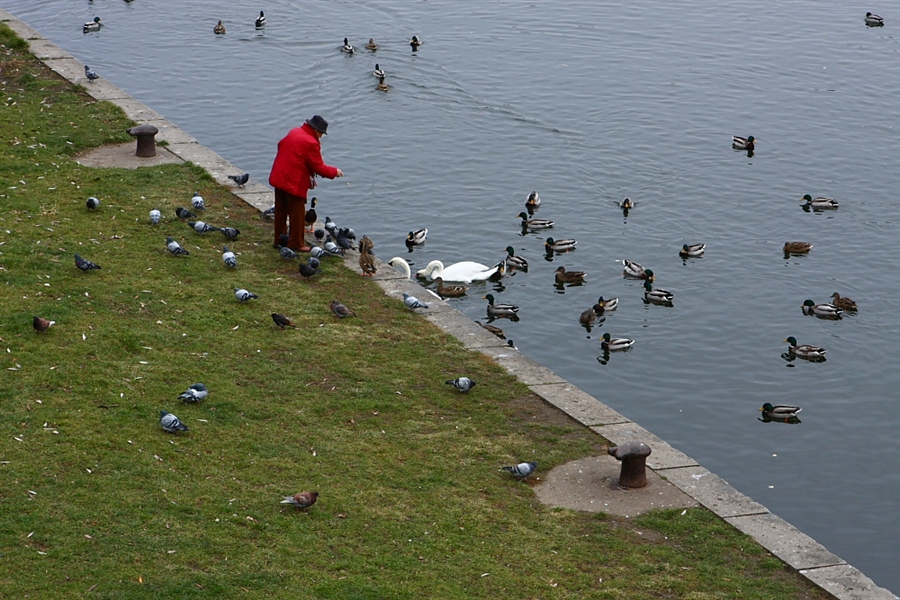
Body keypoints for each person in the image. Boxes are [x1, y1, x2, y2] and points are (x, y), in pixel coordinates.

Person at [269, 115, 343, 251]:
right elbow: (319, 167)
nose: (321, 137)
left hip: (279, 174)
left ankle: (279, 240)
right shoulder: (311, 142)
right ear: (316, 130)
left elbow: (280, 145)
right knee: (297, 215)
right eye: (321, 133)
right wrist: (335, 172)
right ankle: (296, 243)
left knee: (280, 210)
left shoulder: (295, 131)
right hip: (293, 182)